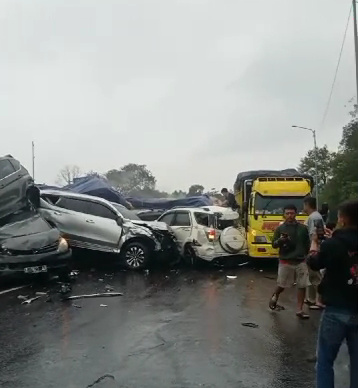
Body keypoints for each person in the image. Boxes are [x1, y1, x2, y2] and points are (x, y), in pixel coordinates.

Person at [307, 199, 358, 388]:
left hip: (336, 309)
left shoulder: (333, 244)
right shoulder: (334, 241)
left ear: (343, 219)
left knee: (325, 362)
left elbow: (314, 263)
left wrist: (315, 243)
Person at [269, 204, 310, 319]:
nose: (290, 215)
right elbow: (274, 245)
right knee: (282, 285)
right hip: (286, 261)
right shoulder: (280, 229)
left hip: (301, 260)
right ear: (284, 214)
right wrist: (281, 240)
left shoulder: (303, 228)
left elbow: (307, 244)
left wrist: (307, 255)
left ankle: (299, 309)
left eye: (292, 213)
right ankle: (275, 295)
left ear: (296, 214)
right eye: (287, 213)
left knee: (302, 285)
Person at [303, 196, 325, 310]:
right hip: (313, 249)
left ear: (307, 205)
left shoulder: (314, 217)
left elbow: (315, 235)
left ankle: (319, 300)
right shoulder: (313, 216)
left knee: (315, 276)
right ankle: (311, 299)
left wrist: (312, 250)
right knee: (311, 276)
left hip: (313, 250)